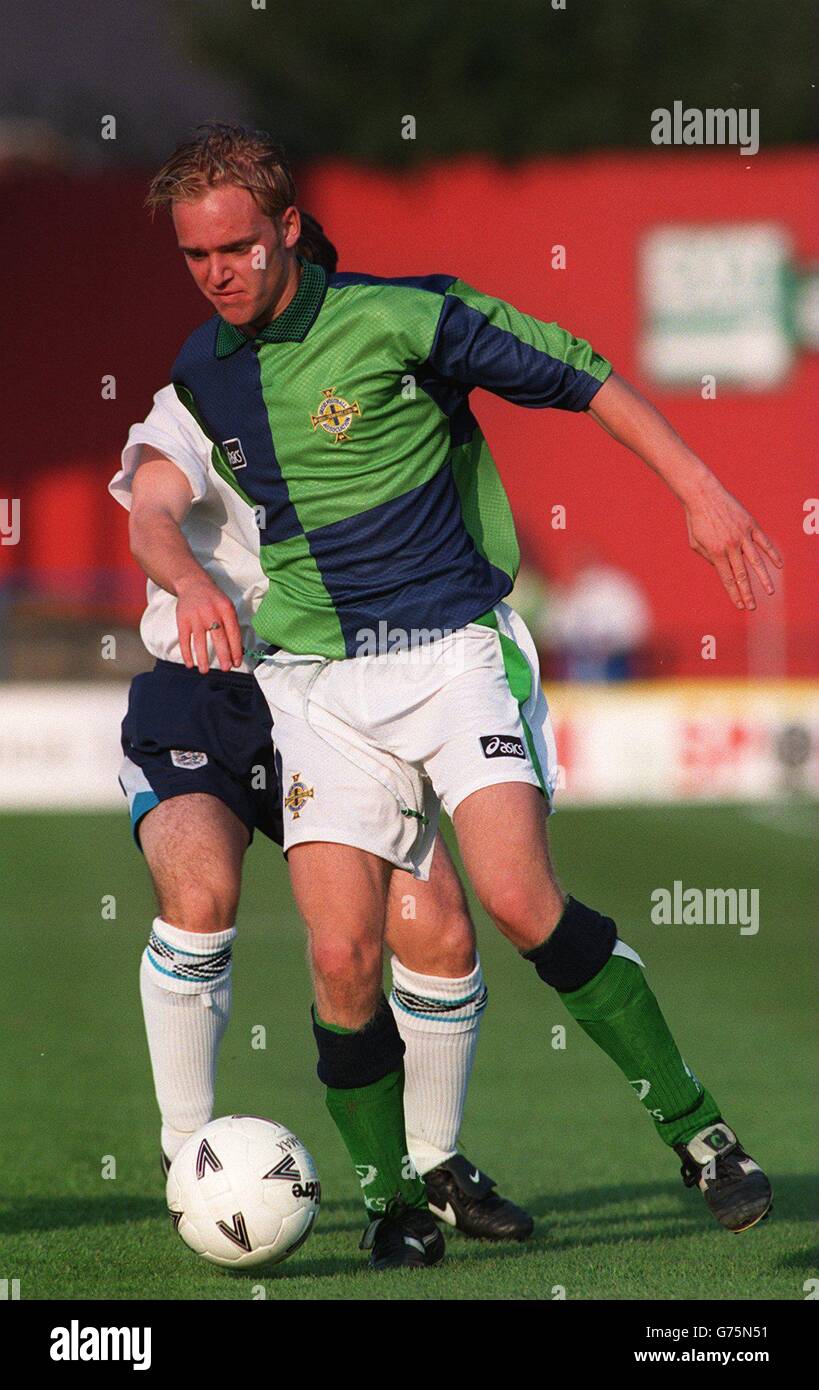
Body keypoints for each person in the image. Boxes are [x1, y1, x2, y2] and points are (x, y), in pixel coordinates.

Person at [143, 123, 780, 1271]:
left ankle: (701, 1135)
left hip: (450, 654)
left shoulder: (407, 315)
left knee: (518, 898)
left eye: (237, 246)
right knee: (340, 957)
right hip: (316, 687)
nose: (219, 274)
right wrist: (186, 577)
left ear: (288, 227)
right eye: (196, 256)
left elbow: (582, 371)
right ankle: (392, 1203)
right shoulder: (202, 372)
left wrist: (703, 489)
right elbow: (156, 496)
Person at [110, 208, 534, 1249]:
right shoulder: (198, 396)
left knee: (433, 928)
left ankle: (431, 1166)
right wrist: (190, 585)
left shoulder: (367, 396)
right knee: (201, 892)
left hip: (342, 690)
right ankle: (187, 1151)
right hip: (204, 690)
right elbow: (152, 510)